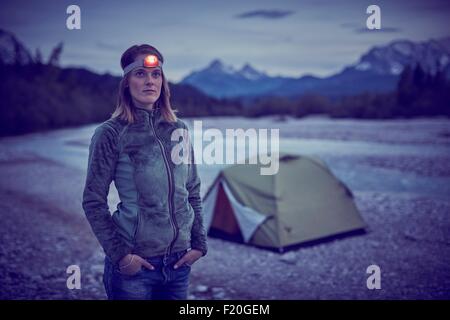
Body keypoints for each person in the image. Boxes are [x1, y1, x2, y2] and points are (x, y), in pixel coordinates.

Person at [82, 44, 207, 300]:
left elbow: (191, 190)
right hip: (135, 267)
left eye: (156, 74)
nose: (150, 81)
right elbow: (93, 201)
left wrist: (198, 244)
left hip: (179, 264)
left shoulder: (179, 129)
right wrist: (121, 256)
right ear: (127, 82)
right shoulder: (111, 133)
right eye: (140, 74)